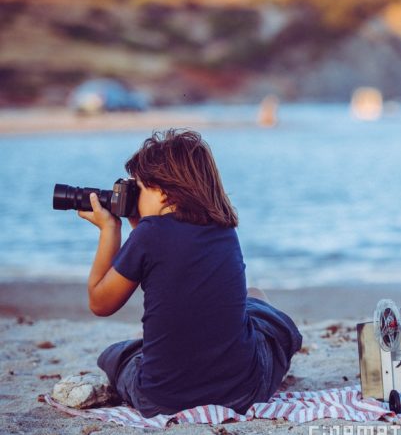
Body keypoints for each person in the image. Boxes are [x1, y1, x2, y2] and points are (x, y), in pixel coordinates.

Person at [77, 129, 302, 417]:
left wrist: (110, 229)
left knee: (116, 355)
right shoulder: (224, 229)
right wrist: (141, 225)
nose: (136, 197)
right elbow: (169, 254)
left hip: (160, 399)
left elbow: (100, 303)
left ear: (163, 190)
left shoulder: (149, 235)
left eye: (140, 189)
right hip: (243, 392)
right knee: (256, 298)